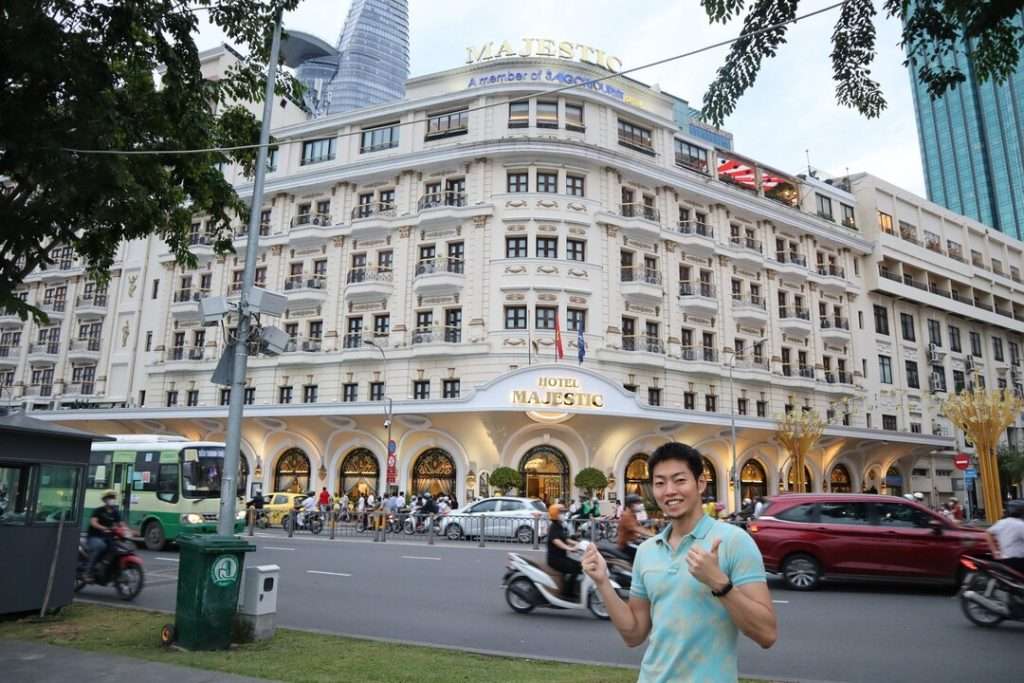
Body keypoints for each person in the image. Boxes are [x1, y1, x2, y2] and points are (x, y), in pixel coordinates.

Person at [582, 442, 777, 682]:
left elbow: (766, 634)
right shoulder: (646, 551)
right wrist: (603, 582)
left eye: (680, 480)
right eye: (660, 483)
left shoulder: (734, 541)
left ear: (700, 484)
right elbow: (633, 635)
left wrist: (718, 582)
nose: (669, 491)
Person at [85, 491, 123, 581]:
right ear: (104, 500)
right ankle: (87, 573)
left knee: (116, 548)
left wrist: (129, 531)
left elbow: (121, 524)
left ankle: (105, 566)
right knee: (100, 546)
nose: (112, 499)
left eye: (113, 497)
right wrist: (103, 528)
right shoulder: (98, 510)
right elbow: (93, 522)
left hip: (108, 537)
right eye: (109, 497)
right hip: (95, 536)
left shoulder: (115, 512)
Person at [546, 503, 582, 597]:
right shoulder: (553, 527)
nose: (563, 514)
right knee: (576, 568)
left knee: (579, 565)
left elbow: (566, 539)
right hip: (555, 560)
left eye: (563, 512)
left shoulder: (560, 526)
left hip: (562, 557)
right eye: (561, 512)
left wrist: (579, 544)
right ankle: (567, 593)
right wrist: (569, 548)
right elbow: (556, 541)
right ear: (555, 514)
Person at [986, 500, 1024, 574]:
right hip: (1019, 560)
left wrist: (994, 551)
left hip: (1004, 559)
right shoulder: (1020, 524)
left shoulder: (1002, 522)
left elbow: (988, 533)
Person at [617, 495, 654, 562]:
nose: (640, 505)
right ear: (631, 505)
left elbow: (639, 527)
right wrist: (654, 535)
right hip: (626, 544)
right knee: (644, 553)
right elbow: (637, 528)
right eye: (638, 503)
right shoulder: (626, 515)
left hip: (632, 541)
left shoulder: (632, 514)